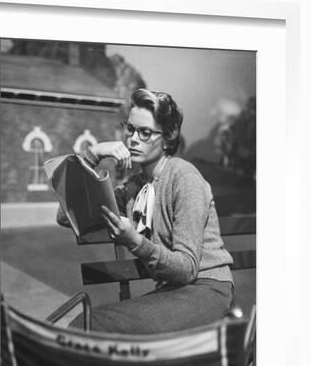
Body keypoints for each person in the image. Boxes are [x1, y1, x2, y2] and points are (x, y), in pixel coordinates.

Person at [59, 88, 234, 335]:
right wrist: (92, 154)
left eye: (145, 132)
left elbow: (186, 269)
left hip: (207, 289)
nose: (133, 139)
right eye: (130, 129)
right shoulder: (133, 188)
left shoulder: (184, 177)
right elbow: (66, 216)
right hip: (173, 293)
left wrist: (134, 241)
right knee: (88, 323)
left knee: (90, 325)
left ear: (169, 136)